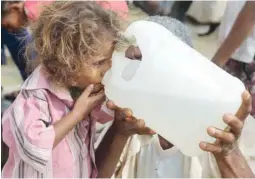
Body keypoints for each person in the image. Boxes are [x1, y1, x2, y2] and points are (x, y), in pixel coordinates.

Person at [1, 2, 148, 178]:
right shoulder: (33, 98)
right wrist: (76, 115)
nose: (106, 70)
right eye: (99, 63)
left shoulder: (80, 86)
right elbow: (34, 148)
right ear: (67, 63)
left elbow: (105, 113)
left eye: (109, 61)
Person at [107, 16, 255, 178]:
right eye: (136, 62)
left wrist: (228, 155)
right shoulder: (131, 122)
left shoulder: (226, 125)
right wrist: (118, 134)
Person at [1, 0, 128, 101]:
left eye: (6, 25)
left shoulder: (33, 11)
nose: (9, 30)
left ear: (14, 9)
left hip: (103, 14)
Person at [212, 1, 255, 117]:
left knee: (231, 115)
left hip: (244, 57)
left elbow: (252, 12)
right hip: (239, 51)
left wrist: (217, 60)